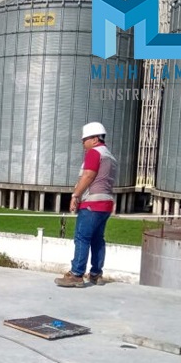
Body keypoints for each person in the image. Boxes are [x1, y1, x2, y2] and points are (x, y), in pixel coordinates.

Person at [55, 122, 117, 288]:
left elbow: (88, 176)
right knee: (98, 239)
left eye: (85, 139)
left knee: (82, 238)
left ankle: (76, 274)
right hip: (106, 204)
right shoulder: (110, 156)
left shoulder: (94, 153)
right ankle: (96, 274)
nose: (83, 143)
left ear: (95, 139)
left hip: (92, 204)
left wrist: (75, 195)